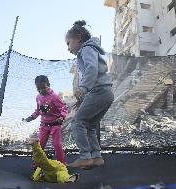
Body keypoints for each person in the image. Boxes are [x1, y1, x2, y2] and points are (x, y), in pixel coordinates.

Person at [65, 20, 114, 169]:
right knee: (91, 126)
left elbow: (92, 69)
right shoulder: (92, 49)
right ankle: (96, 157)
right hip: (106, 93)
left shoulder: (86, 49)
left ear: (78, 38)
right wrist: (84, 97)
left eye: (68, 43)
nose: (68, 48)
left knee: (77, 122)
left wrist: (83, 88)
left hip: (98, 91)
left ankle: (85, 157)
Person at [23, 75, 68, 164]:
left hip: (55, 124)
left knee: (57, 145)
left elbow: (64, 108)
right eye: (38, 89)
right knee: (39, 145)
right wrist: (31, 117)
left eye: (43, 88)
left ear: (48, 85)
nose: (41, 91)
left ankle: (62, 165)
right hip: (44, 125)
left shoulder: (54, 97)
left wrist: (61, 117)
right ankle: (37, 164)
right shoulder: (38, 97)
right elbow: (38, 111)